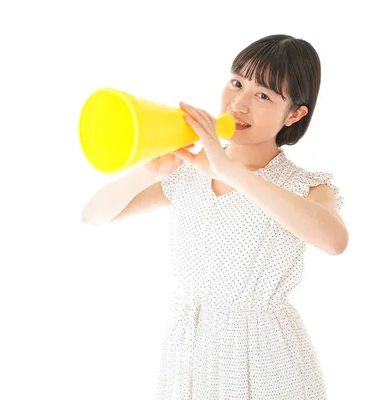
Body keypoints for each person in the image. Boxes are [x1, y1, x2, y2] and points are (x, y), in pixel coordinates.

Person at [81, 34, 347, 400]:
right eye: (237, 82)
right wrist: (149, 170)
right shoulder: (190, 173)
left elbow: (335, 241)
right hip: (189, 352)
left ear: (296, 113)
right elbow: (94, 215)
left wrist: (228, 170)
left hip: (267, 359)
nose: (238, 103)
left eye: (264, 95)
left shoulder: (304, 186)